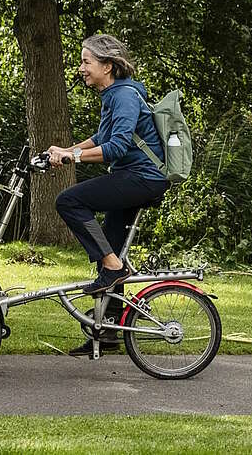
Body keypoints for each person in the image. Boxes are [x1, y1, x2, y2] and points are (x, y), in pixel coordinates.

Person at [46, 34, 169, 355]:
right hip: (133, 177)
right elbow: (101, 136)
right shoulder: (114, 95)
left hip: (142, 178)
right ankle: (110, 331)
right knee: (110, 251)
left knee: (69, 201)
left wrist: (71, 158)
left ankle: (114, 269)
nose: (81, 68)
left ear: (108, 66)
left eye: (87, 62)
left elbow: (116, 146)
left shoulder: (125, 95)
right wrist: (64, 150)